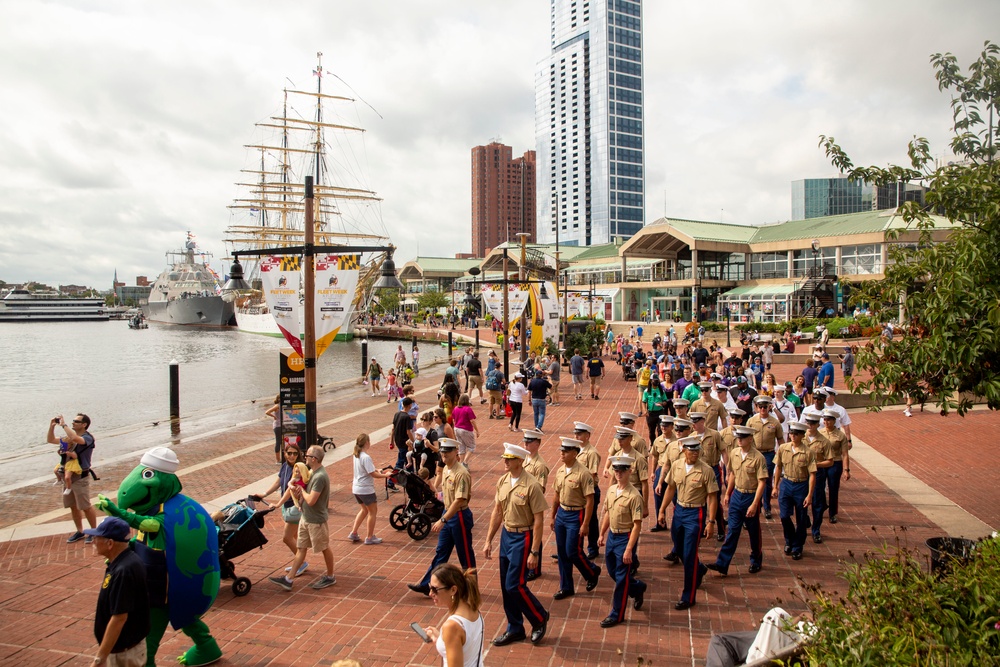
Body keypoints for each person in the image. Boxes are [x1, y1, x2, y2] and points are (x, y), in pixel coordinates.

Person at [482, 443, 550, 646]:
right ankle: (515, 628)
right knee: (505, 586)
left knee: (515, 585)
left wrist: (535, 552)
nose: (505, 461)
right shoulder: (503, 481)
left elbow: (539, 520)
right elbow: (497, 512)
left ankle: (539, 617)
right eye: (505, 458)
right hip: (506, 535)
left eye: (509, 459)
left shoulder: (532, 485)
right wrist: (488, 540)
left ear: (519, 461)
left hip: (523, 537)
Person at [657, 436, 719, 610]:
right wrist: (662, 510)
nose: (694, 453)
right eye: (691, 450)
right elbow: (670, 488)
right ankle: (699, 569)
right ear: (684, 450)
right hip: (679, 511)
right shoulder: (677, 465)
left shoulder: (706, 470)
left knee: (690, 554)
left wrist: (711, 522)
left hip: (695, 512)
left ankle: (688, 596)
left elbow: (712, 497)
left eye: (697, 449)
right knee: (679, 547)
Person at [409, 439, 477, 596]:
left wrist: (443, 519)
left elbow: (460, 500)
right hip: (448, 513)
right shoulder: (446, 469)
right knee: (441, 552)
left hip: (458, 515)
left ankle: (472, 588)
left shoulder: (461, 473)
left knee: (465, 554)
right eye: (442, 453)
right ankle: (428, 585)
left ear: (455, 452)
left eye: (447, 452)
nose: (444, 455)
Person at [270, 445, 337, 591]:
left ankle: (331, 576)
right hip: (306, 518)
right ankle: (289, 579)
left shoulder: (319, 476)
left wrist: (301, 491)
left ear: (314, 459)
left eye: (307, 456)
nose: (304, 457)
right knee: (301, 548)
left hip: (316, 520)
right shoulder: (312, 472)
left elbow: (312, 500)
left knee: (324, 547)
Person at [86, 517, 149, 667]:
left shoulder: (123, 571)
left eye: (97, 537)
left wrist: (99, 660)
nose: (93, 540)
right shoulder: (126, 561)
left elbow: (119, 618)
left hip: (124, 656)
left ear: (110, 543)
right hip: (125, 651)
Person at [706, 426, 767, 577]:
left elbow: (762, 482)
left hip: (750, 496)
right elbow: (732, 473)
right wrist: (727, 493)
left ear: (750, 439)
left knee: (753, 531)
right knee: (732, 530)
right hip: (737, 495)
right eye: (738, 437)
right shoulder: (734, 453)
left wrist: (754, 504)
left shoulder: (758, 458)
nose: (739, 440)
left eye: (743, 437)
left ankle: (756, 560)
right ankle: (722, 563)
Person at [597, 454, 647, 627]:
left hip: (625, 538)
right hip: (612, 536)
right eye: (616, 469)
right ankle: (637, 587)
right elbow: (608, 513)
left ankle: (617, 614)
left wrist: (629, 549)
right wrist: (602, 533)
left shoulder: (634, 496)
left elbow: (637, 526)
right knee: (613, 572)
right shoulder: (611, 490)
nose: (618, 473)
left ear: (629, 471)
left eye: (622, 470)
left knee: (621, 579)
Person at [551, 437, 601, 600]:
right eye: (561, 451)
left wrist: (586, 523)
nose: (562, 454)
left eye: (565, 451)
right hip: (562, 514)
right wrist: (553, 516)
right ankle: (566, 587)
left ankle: (591, 571)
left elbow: (590, 500)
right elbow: (556, 495)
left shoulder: (583, 473)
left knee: (572, 550)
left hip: (576, 514)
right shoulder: (560, 471)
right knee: (562, 552)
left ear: (575, 453)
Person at [257, 445, 310, 577]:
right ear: (285, 454)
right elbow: (278, 482)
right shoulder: (285, 466)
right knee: (296, 538)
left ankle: (301, 563)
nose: (292, 456)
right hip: (287, 507)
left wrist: (278, 504)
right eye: (289, 453)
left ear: (299, 455)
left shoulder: (298, 469)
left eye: (295, 454)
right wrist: (264, 494)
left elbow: (290, 489)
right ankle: (300, 561)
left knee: (287, 538)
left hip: (295, 508)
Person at [47, 413, 98, 543]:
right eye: (73, 421)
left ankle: (94, 531)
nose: (73, 423)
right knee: (73, 506)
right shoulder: (68, 438)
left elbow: (75, 438)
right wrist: (52, 426)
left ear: (84, 424)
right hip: (67, 475)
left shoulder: (87, 438)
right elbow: (51, 440)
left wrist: (63, 425)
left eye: (76, 421)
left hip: (81, 476)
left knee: (85, 506)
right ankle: (80, 531)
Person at [423, 563, 485, 667]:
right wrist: (440, 638)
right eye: (430, 587)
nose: (430, 593)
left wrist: (446, 635)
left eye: (435, 589)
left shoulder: (452, 626)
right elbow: (465, 646)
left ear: (453, 590)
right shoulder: (474, 611)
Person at [773, 423, 816, 560]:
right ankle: (789, 540)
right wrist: (775, 486)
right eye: (791, 433)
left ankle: (797, 546)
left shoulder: (808, 452)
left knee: (801, 518)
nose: (793, 436)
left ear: (802, 435)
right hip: (786, 483)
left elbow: (812, 474)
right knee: (784, 516)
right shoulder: (783, 448)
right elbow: (778, 467)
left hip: (801, 484)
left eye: (796, 434)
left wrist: (809, 495)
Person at [348, 433, 393, 545]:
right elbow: (373, 474)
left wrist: (377, 470)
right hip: (366, 489)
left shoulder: (356, 455)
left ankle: (354, 532)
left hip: (356, 488)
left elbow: (368, 470)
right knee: (373, 512)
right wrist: (385, 475)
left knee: (364, 510)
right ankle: (369, 537)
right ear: (366, 443)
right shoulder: (366, 457)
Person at [746, 396, 784, 520]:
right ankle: (756, 503)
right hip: (754, 453)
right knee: (753, 479)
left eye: (765, 407)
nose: (763, 409)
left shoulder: (774, 422)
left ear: (769, 407)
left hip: (768, 454)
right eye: (760, 407)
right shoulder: (751, 421)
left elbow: (780, 439)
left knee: (766, 480)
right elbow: (746, 438)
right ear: (757, 407)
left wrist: (783, 452)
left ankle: (767, 507)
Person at [520, 429, 550, 580]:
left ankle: (535, 568)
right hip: (522, 503)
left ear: (537, 444)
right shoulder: (524, 459)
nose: (525, 443)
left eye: (529, 441)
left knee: (534, 535)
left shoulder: (540, 465)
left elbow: (541, 487)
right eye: (525, 441)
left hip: (532, 504)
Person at [573, 422, 603, 560]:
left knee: (589, 519)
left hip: (589, 491)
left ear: (587, 436)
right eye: (576, 434)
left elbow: (593, 474)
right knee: (576, 520)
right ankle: (573, 549)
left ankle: (593, 548)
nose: (576, 436)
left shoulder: (592, 453)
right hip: (577, 491)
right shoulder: (575, 450)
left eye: (579, 434)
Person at [820, 409, 851, 526]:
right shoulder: (820, 433)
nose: (826, 422)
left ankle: (833, 513)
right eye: (825, 420)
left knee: (833, 488)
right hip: (822, 463)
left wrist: (846, 470)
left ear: (834, 421)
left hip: (835, 463)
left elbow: (845, 454)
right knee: (819, 487)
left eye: (829, 420)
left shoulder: (840, 435)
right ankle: (822, 504)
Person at [451, 394, 480, 468]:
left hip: (457, 428)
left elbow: (453, 419)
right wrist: (477, 430)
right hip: (466, 429)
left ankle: (461, 464)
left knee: (461, 447)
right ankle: (465, 462)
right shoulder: (468, 409)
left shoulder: (456, 408)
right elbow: (472, 421)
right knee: (471, 447)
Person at [639, 374, 669, 441]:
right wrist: (645, 410)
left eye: (657, 380)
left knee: (660, 430)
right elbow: (643, 401)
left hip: (660, 412)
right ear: (651, 381)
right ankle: (652, 444)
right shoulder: (647, 391)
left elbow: (665, 401)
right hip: (650, 413)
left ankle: (659, 443)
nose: (656, 382)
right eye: (654, 380)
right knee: (651, 431)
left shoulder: (661, 391)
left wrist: (662, 403)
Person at [265, 394, 281, 464]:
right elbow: (267, 412)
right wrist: (274, 416)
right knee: (278, 442)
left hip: (282, 425)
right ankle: (278, 460)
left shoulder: (283, 405)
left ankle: (281, 458)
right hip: (277, 425)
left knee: (282, 441)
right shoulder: (277, 406)